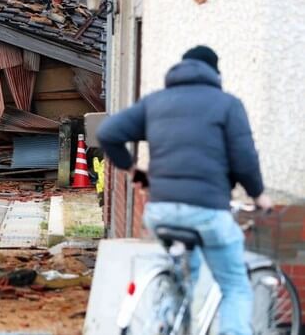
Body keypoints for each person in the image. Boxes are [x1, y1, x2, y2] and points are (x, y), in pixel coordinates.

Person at [97, 45, 271, 335]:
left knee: (185, 277)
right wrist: (258, 194)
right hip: (207, 212)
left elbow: (107, 133)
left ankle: (169, 321)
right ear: (215, 72)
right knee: (235, 285)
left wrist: (132, 169)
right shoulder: (227, 104)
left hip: (160, 211)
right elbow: (244, 160)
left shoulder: (155, 102)